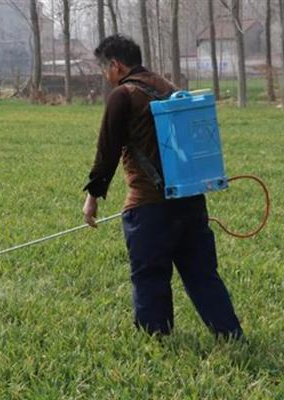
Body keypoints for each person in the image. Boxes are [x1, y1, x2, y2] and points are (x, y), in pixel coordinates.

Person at [82, 34, 243, 339]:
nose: (106, 77)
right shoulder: (168, 87)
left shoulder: (123, 94)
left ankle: (156, 340)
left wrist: (92, 197)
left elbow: (107, 152)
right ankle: (230, 334)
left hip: (149, 207)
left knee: (150, 277)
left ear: (116, 65)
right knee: (203, 275)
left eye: (105, 69)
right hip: (190, 200)